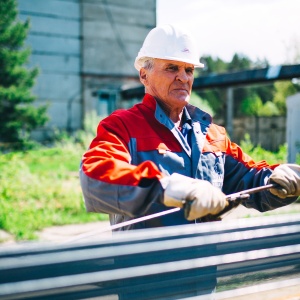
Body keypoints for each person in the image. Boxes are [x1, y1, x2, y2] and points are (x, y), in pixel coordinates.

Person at [79, 24, 300, 296]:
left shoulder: (211, 133)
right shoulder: (123, 127)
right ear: (144, 75)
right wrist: (166, 188)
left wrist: (276, 179)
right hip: (147, 287)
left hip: (204, 284)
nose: (183, 77)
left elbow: (249, 179)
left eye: (189, 70)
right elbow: (96, 174)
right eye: (172, 67)